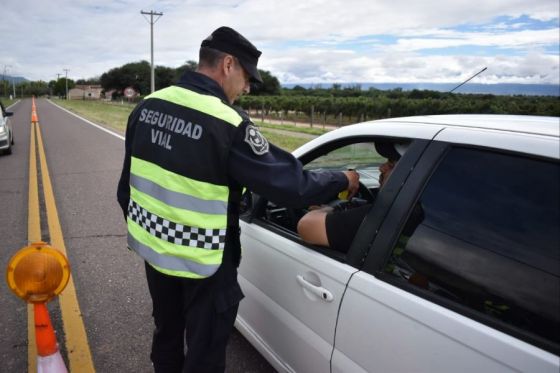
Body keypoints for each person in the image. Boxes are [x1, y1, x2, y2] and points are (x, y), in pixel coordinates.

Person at [116, 26, 359, 373]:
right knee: (205, 353)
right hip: (206, 263)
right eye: (246, 77)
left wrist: (155, 230)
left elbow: (126, 188)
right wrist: (343, 179)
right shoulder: (227, 123)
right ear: (228, 64)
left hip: (155, 253)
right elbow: (291, 185)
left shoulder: (148, 105)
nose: (246, 88)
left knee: (166, 337)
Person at [297, 141, 406, 253]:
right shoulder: (414, 211)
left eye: (391, 165)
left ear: (410, 174)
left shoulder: (378, 218)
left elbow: (306, 226)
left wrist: (326, 210)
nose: (381, 168)